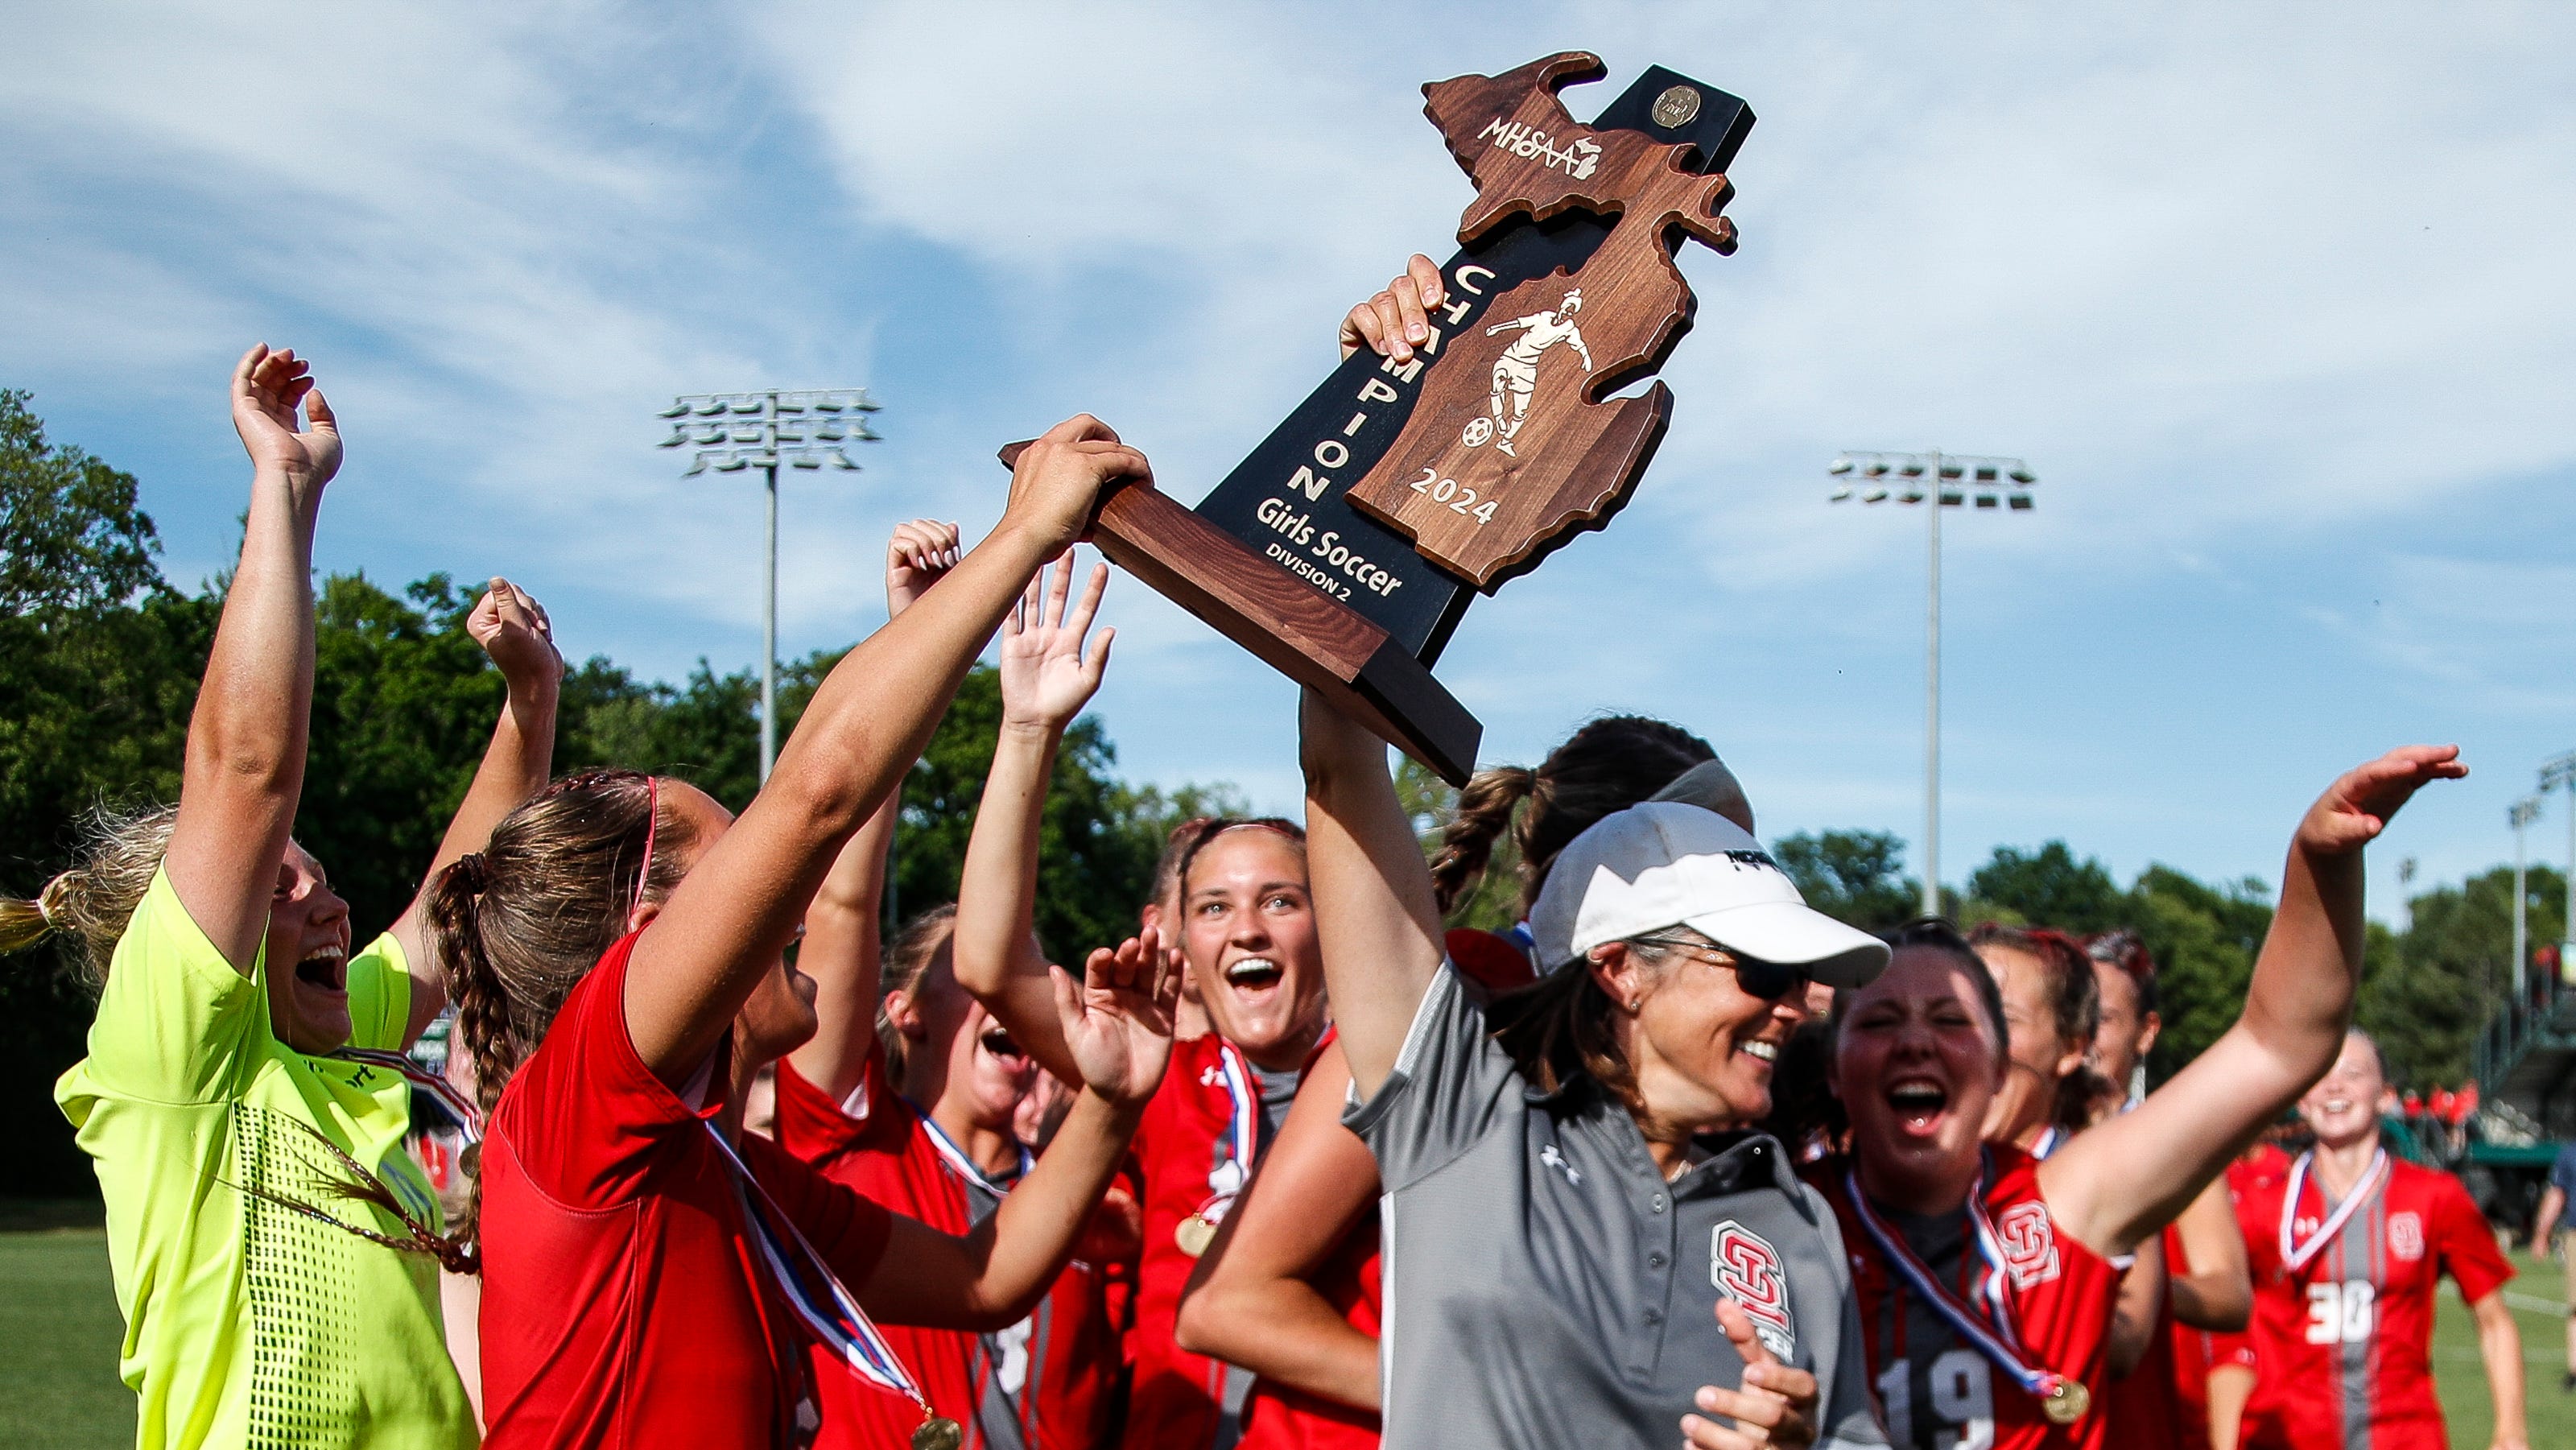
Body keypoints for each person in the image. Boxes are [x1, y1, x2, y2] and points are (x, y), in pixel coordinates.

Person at [431, 415, 1182, 1447]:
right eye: (740, 864)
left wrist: (1109, 1095)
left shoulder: (724, 1171)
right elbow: (819, 792)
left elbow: (984, 1276)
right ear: (650, 937)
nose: (780, 894)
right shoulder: (576, 1106)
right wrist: (1022, 538)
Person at [0, 347, 561, 1449]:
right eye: (282, 884)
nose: (331, 903)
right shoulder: (175, 1056)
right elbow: (246, 769)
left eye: (325, 879)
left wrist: (531, 705)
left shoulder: (334, 1040)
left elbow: (455, 902)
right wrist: (285, 490)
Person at [1298, 681, 1892, 1448]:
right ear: (1622, 970)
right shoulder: (1465, 1114)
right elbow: (1341, 767)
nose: (1796, 1005)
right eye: (1762, 972)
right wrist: (1370, 598)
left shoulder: (1799, 1219)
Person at [1820, 746, 2462, 1450]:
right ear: (1831, 1067)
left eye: (1952, 1020)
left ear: (1999, 1062)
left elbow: (2282, 1044)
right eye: (1879, 1021)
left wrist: (2320, 863)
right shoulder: (1778, 1216)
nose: (1916, 1043)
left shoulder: (2064, 1197)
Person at [1171, 718, 1736, 1444]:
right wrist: (1510, 1399)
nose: (1751, 891)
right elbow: (1226, 1301)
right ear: (1619, 863)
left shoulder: (1656, 1053)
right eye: (1723, 860)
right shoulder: (1456, 1006)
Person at [773, 531, 1125, 1450]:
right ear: (905, 1011)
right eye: (963, 978)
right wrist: (920, 637)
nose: (1009, 989)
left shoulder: (1088, 1185)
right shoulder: (851, 1136)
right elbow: (845, 900)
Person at [2235, 1030, 2528, 1450]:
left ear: (2385, 1096)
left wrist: (2511, 1431)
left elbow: (2495, 1321)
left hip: (2404, 1436)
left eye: (2353, 1074)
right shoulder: (2261, 1205)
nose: (2335, 1086)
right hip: (2288, 1437)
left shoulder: (2434, 1197)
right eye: (2321, 1075)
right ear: (2301, 1097)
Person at [2082, 931, 2251, 1450]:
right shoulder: (2018, 1131)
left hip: (2145, 1417)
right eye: (2074, 1011)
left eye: (2105, 1019)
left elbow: (2230, 1297)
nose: (2086, 1033)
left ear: (2146, 1032)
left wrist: (2133, 1288)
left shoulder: (2175, 1143)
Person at [2528, 1136, 2576, 1394]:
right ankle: (2574, 1370)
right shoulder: (2570, 1153)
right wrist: (2541, 1233)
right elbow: (2557, 1194)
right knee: (2575, 1305)